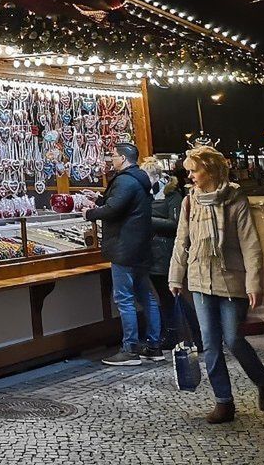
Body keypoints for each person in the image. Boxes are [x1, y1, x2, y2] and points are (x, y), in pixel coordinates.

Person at [169, 144, 264, 424]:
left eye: (195, 170)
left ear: (211, 170)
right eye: (188, 171)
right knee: (211, 344)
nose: (189, 176)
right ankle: (224, 402)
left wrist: (254, 283)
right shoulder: (189, 201)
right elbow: (183, 241)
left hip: (231, 279)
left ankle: (262, 380)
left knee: (234, 338)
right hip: (200, 279)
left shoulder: (234, 199)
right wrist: (175, 277)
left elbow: (250, 243)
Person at [84, 142, 162, 365]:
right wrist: (99, 198)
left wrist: (89, 213)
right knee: (146, 296)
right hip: (139, 248)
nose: (112, 159)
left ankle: (130, 349)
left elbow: (114, 209)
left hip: (124, 249)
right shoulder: (139, 179)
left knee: (125, 299)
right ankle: (154, 345)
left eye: (114, 156)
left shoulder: (126, 180)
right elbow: (121, 203)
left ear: (124, 158)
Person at [143, 157, 202, 348]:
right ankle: (173, 336)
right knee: (166, 297)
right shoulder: (149, 195)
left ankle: (197, 336)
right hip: (154, 253)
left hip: (166, 253)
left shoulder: (172, 196)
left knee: (175, 296)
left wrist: (147, 219)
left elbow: (175, 224)